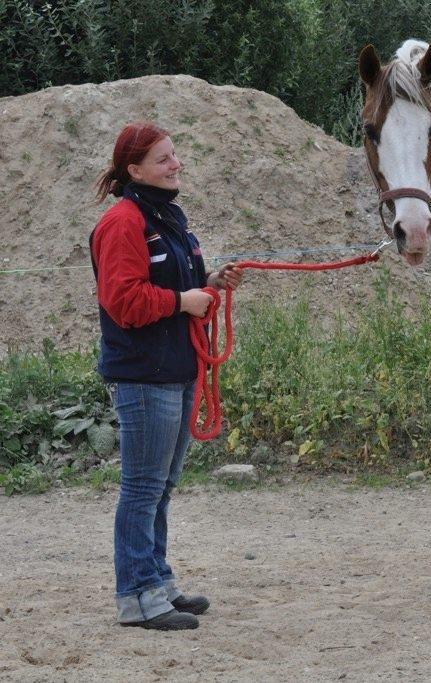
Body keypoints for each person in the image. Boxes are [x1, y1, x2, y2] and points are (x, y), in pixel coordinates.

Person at [90, 121, 243, 630]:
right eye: (163, 159)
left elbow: (174, 282)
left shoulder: (166, 217)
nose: (176, 164)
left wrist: (209, 281)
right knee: (142, 488)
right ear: (135, 171)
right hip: (145, 375)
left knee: (161, 486)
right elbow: (123, 301)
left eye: (174, 155)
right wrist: (183, 301)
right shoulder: (122, 223)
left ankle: (156, 582)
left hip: (177, 368)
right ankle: (136, 596)